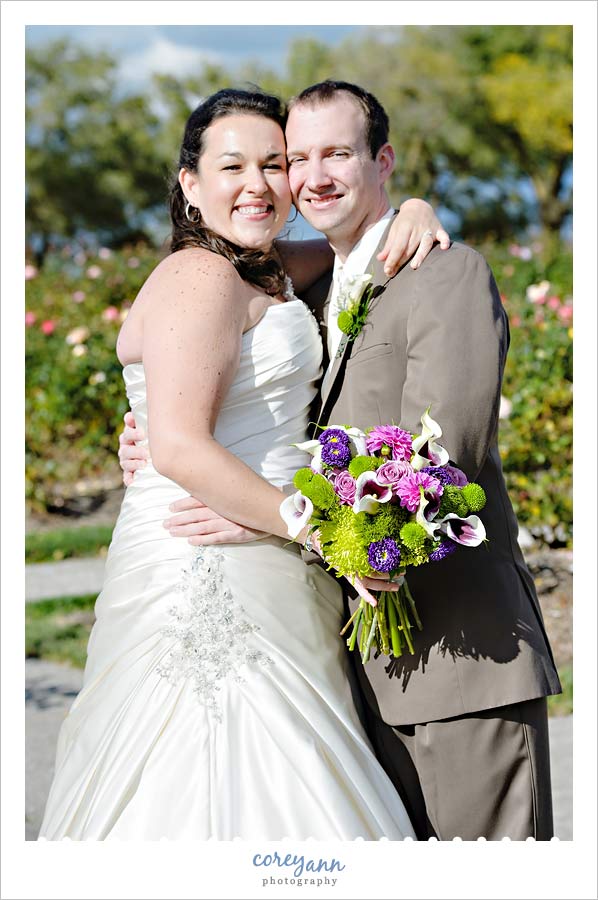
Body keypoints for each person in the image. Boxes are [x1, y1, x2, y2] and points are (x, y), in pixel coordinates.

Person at [126, 81, 563, 841]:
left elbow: (436, 463)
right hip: (352, 663)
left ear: (382, 160)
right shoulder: (310, 280)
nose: (306, 177)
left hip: (459, 658)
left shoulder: (435, 269)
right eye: (299, 158)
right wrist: (187, 457)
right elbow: (201, 406)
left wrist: (280, 517)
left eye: (335, 154)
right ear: (190, 185)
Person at [39, 87, 446, 840]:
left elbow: (347, 242)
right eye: (233, 166)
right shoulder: (200, 276)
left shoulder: (265, 267)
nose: (259, 184)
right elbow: (181, 447)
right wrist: (322, 531)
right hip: (207, 560)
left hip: (265, 552)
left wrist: (411, 207)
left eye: (275, 163)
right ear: (191, 184)